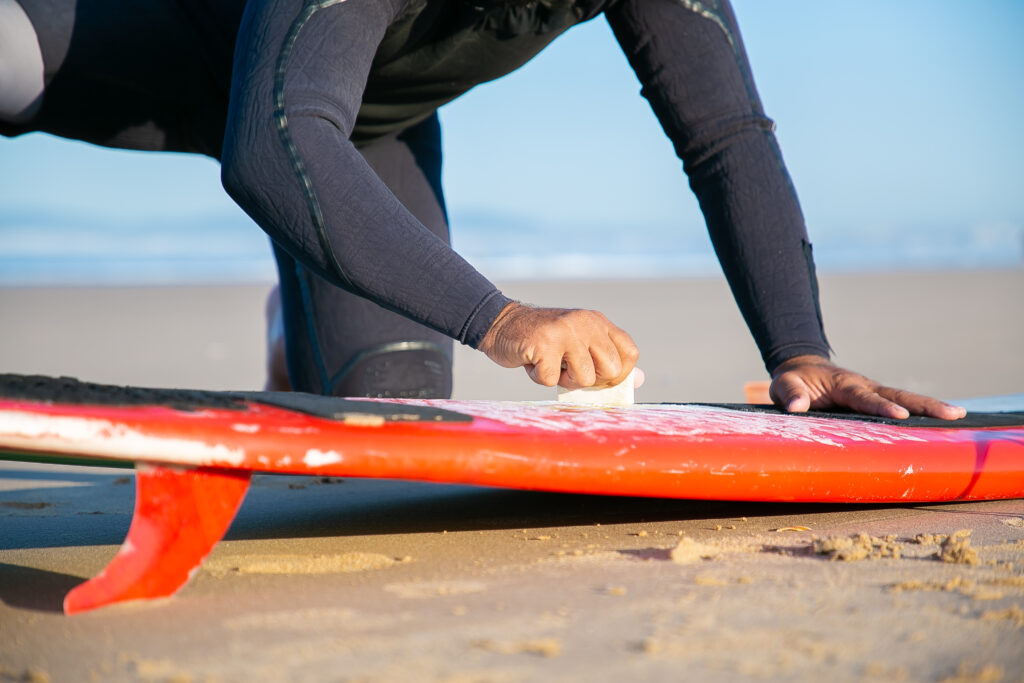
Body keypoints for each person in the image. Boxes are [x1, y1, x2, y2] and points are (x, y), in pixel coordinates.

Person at [1, 0, 964, 420]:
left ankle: (302, 320)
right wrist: (499, 319)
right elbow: (269, 145)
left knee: (389, 427)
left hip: (356, 135)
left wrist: (800, 350)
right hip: (144, 30)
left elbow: (726, 139)